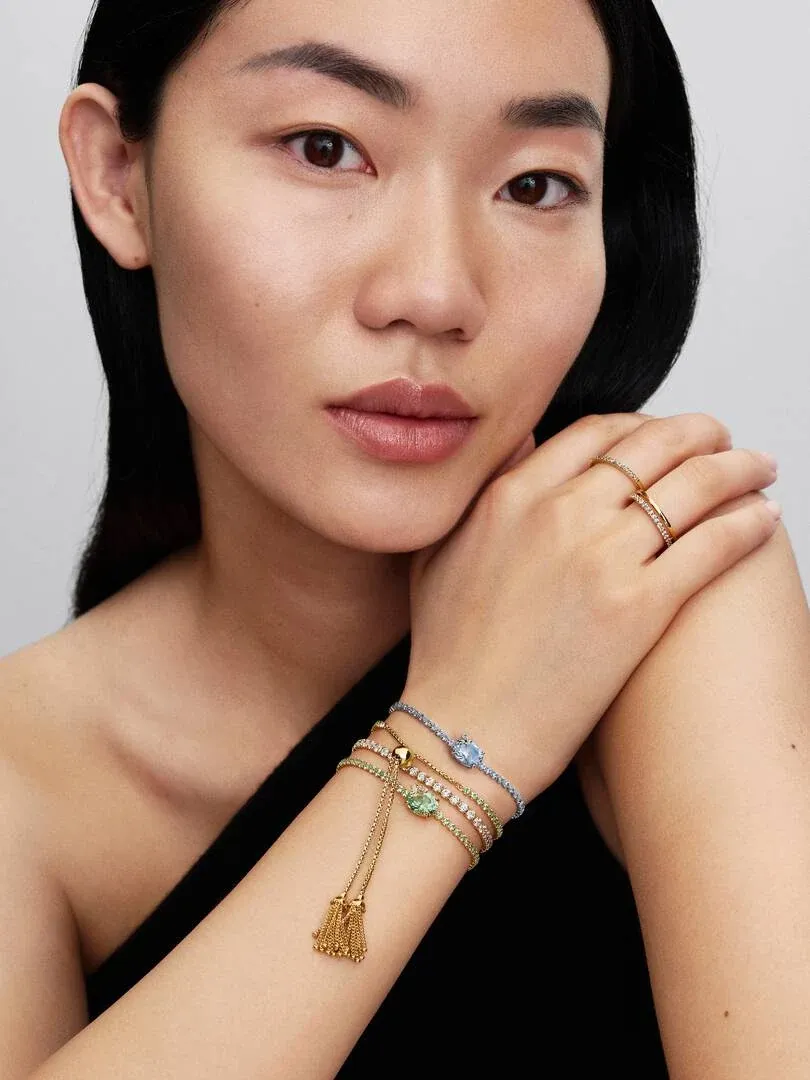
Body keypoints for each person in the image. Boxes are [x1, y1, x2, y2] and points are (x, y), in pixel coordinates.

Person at [1, 0, 808, 1076]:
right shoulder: (27, 775)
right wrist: (461, 733)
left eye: (535, 184)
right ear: (115, 176)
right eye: (325, 148)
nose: (433, 292)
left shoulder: (654, 569)